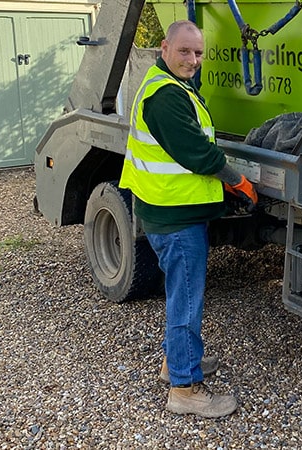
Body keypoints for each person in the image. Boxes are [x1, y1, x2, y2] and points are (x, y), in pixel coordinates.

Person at [119, 19, 257, 418]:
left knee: (182, 294)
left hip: (168, 211)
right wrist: (239, 182)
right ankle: (184, 389)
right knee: (186, 300)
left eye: (198, 53)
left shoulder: (170, 85)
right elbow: (197, 153)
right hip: (175, 219)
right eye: (185, 51)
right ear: (164, 48)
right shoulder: (165, 97)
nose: (193, 60)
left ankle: (176, 362)